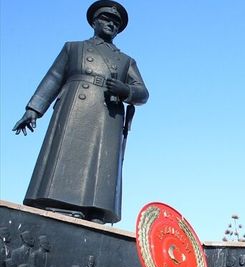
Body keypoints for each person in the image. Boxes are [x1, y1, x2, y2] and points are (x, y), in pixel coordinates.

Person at [12, 1, 148, 224]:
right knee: (66, 156)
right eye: (106, 19)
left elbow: (142, 93)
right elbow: (54, 78)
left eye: (116, 23)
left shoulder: (126, 61)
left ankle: (95, 210)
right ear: (94, 21)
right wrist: (33, 109)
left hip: (107, 117)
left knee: (100, 164)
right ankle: (59, 203)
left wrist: (126, 90)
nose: (111, 24)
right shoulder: (73, 48)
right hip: (74, 109)